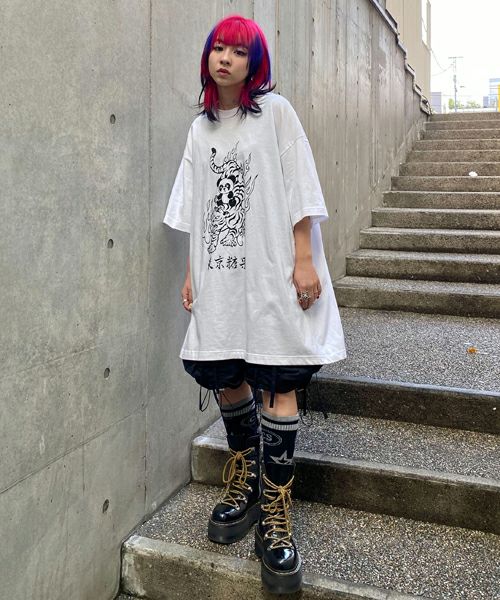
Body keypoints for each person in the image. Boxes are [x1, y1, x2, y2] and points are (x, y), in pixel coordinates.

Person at [163, 14, 346, 594]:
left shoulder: (276, 114)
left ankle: (275, 508)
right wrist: (191, 273)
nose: (225, 58)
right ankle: (244, 479)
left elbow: (300, 185)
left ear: (253, 63)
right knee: (226, 371)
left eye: (238, 51)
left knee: (277, 371)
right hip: (219, 275)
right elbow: (196, 208)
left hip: (271, 269)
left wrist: (304, 258)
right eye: (218, 47)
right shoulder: (200, 130)